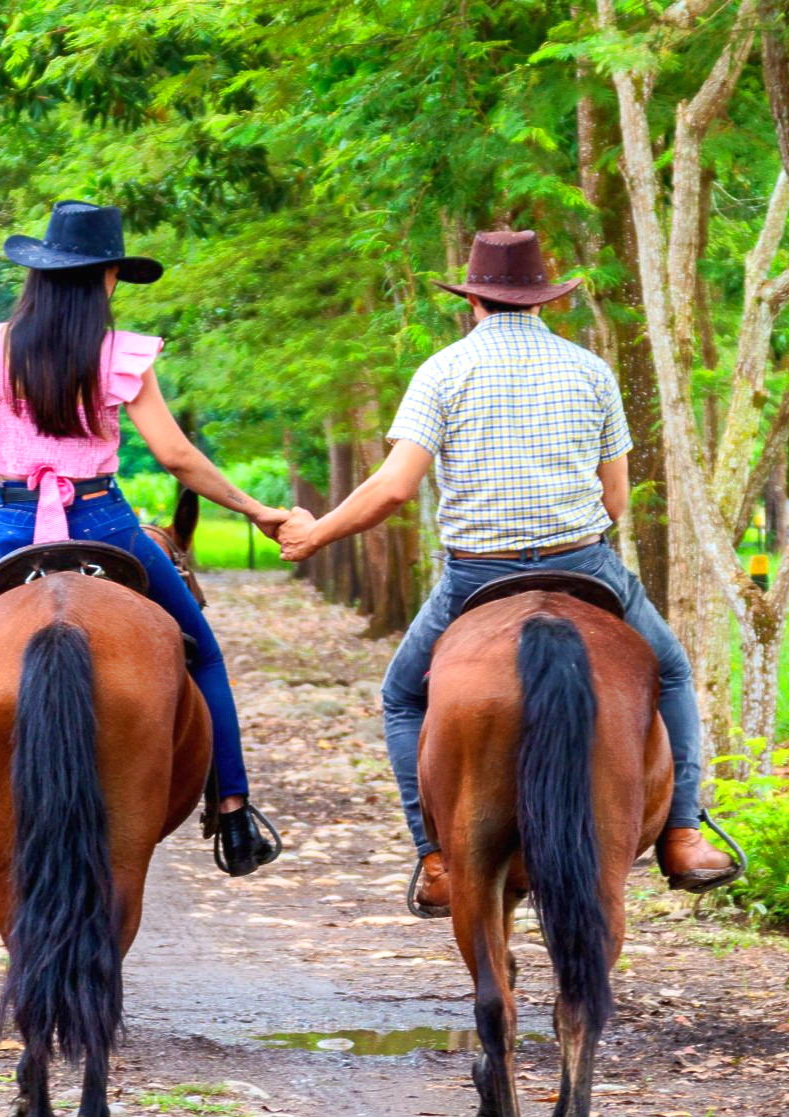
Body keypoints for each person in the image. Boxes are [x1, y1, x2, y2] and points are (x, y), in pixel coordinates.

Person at [277, 229, 741, 919]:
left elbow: (395, 488)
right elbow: (614, 499)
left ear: (473, 301)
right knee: (668, 671)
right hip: (584, 565)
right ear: (543, 300)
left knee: (403, 695)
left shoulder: (442, 371)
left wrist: (318, 530)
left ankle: (434, 859)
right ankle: (680, 834)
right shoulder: (590, 370)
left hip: (476, 578)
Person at [0, 200, 286, 898]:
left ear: (40, 274)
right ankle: (235, 811)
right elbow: (177, 456)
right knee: (203, 653)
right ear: (107, 280)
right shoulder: (122, 354)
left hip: (13, 527)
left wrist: (16, 500)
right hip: (108, 523)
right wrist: (256, 509)